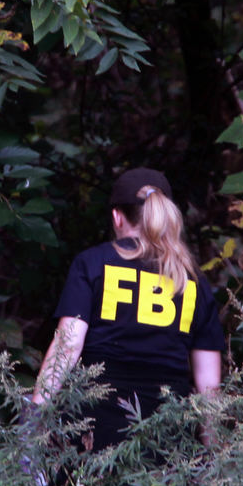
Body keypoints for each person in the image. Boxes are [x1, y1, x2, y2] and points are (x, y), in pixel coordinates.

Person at [31, 167, 224, 452]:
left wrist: (33, 419)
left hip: (94, 434)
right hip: (166, 440)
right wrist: (216, 457)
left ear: (117, 217)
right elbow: (209, 387)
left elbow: (68, 345)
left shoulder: (93, 263)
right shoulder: (193, 281)